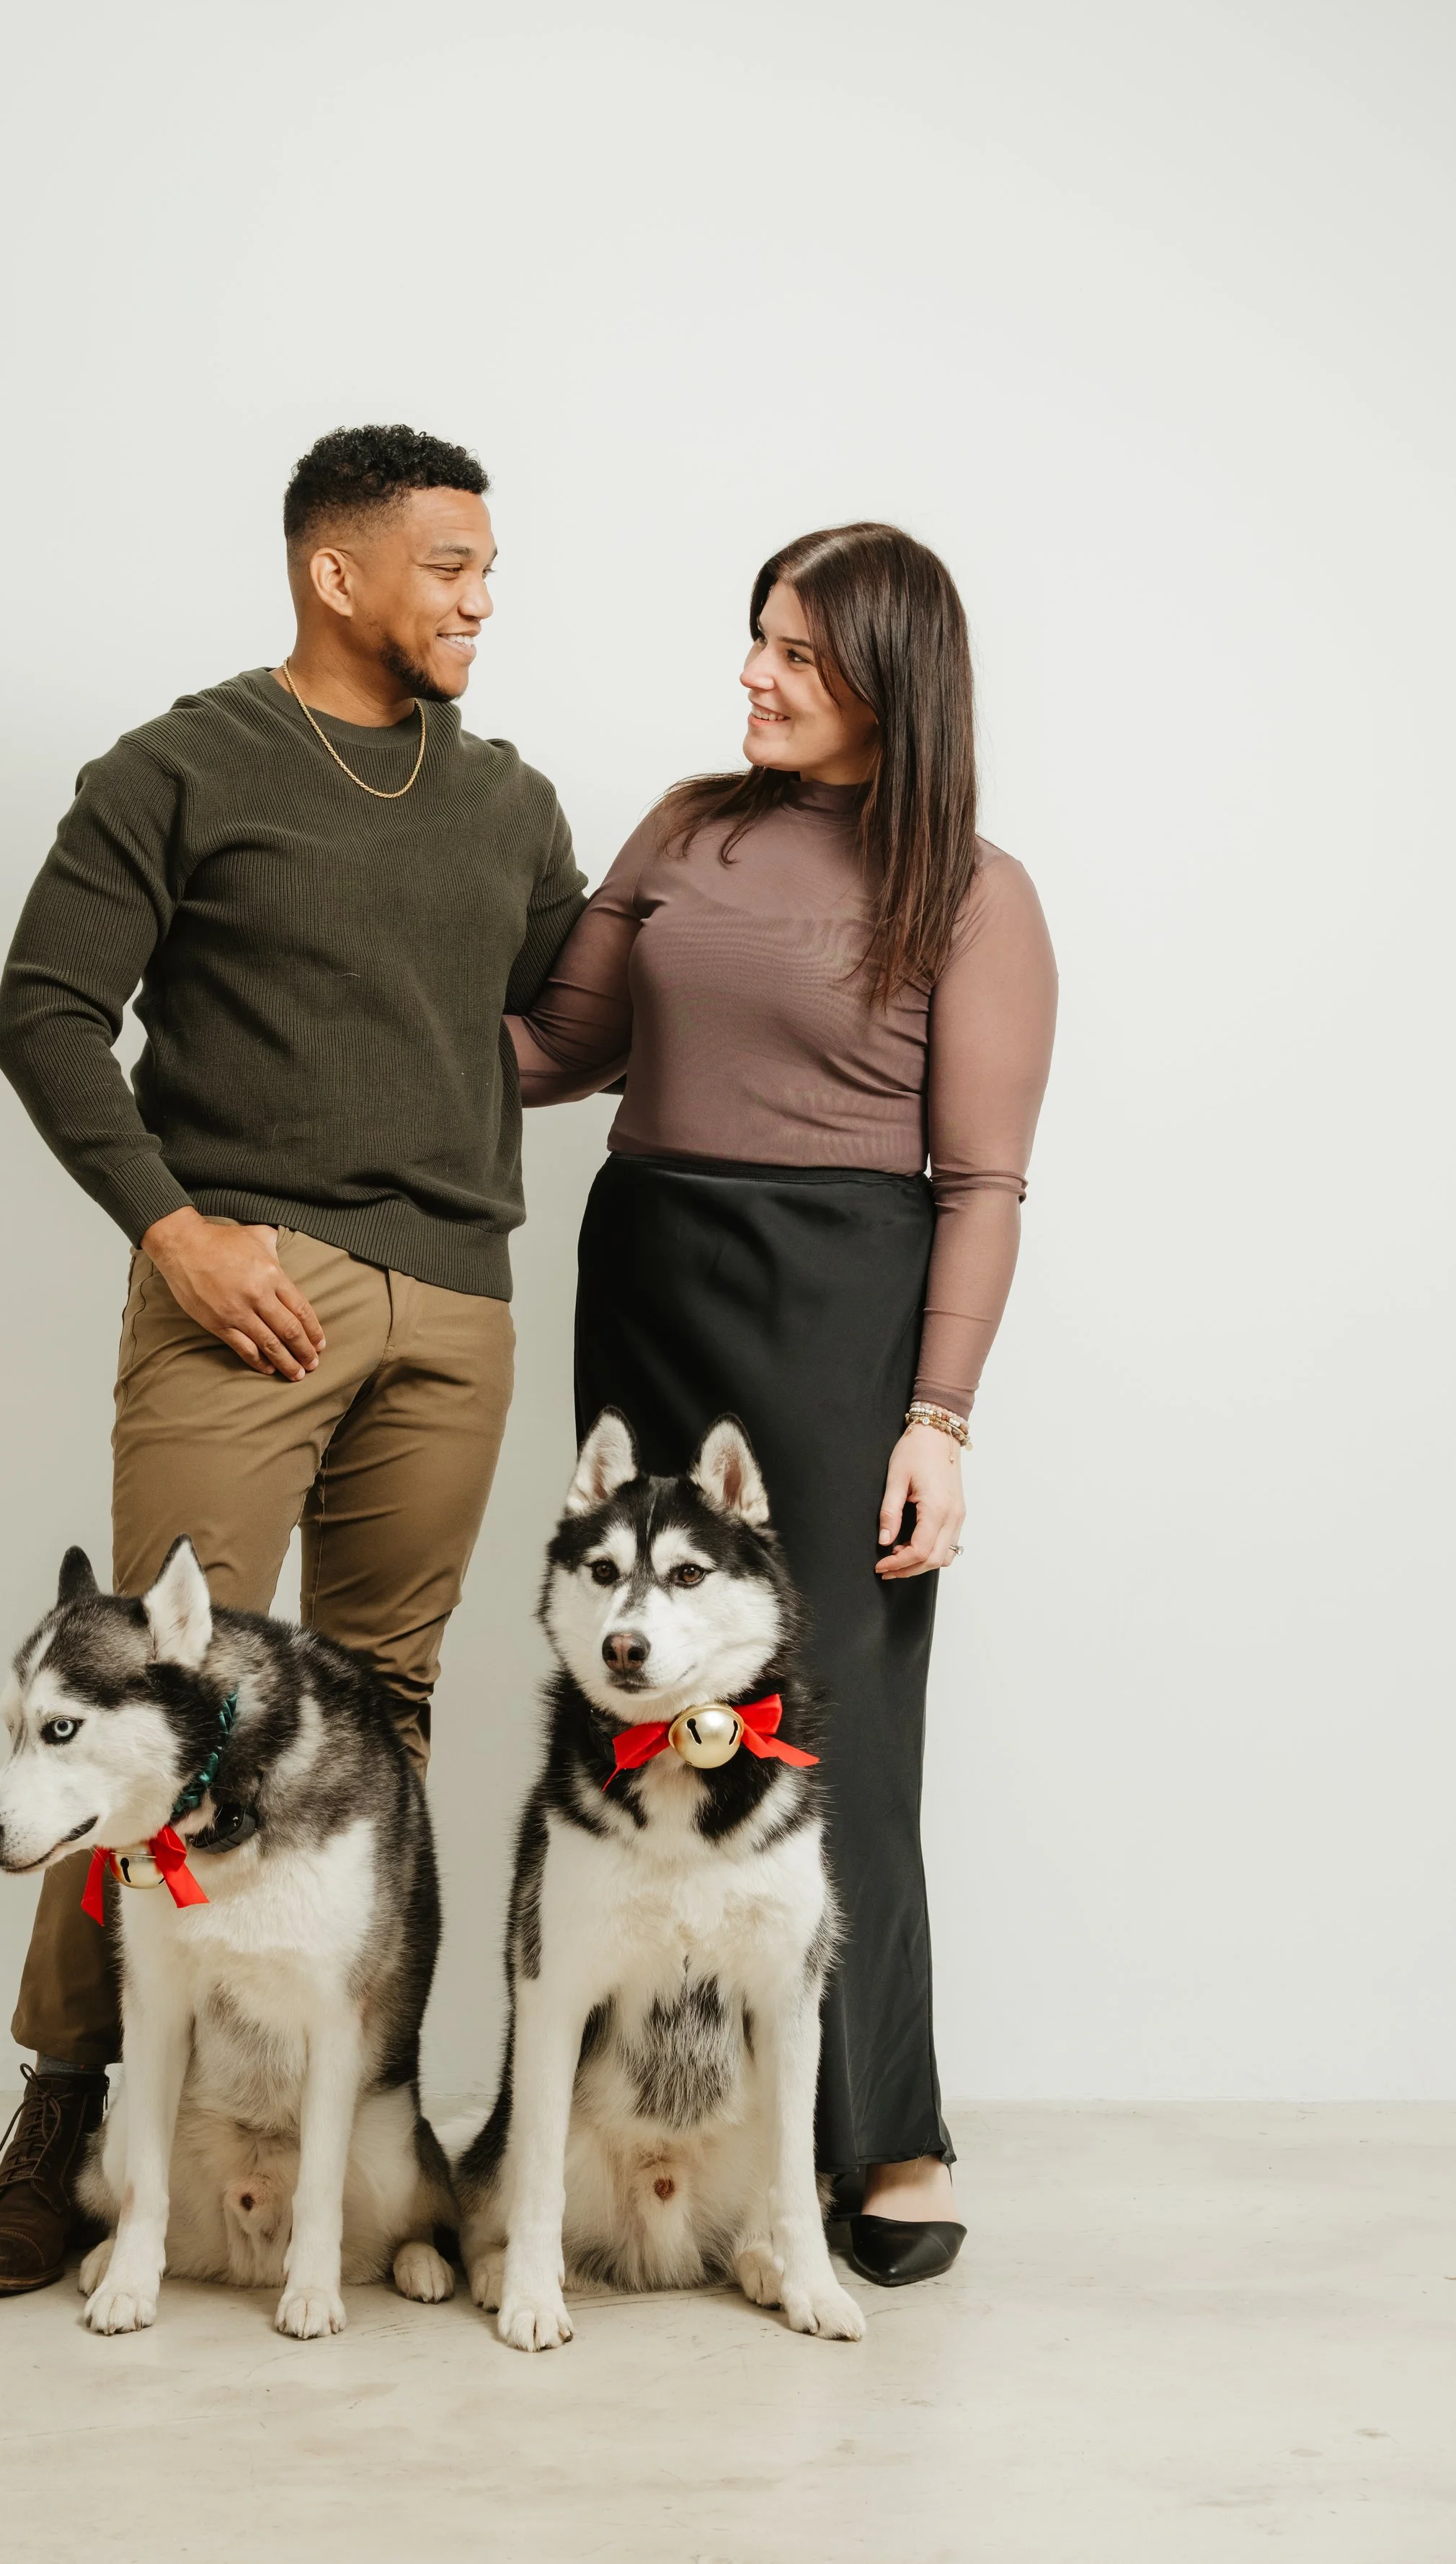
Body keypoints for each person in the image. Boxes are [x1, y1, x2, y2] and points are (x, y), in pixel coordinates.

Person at [0, 425, 585, 2297]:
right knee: (139, 1711)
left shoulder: (513, 800)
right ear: (336, 569)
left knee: (382, 1718)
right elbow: (45, 1012)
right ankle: (66, 2105)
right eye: (451, 562)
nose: (482, 594)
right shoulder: (178, 767)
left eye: (488, 565)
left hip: (453, 1303)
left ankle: (361, 2118)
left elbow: (565, 1015)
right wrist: (175, 1225)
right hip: (247, 1289)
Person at [508, 521, 1057, 2288]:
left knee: (838, 1736)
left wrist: (939, 1421)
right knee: (640, 1702)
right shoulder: (682, 826)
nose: (753, 674)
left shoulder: (973, 890)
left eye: (797, 656)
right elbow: (554, 1050)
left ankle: (888, 2134)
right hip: (650, 1270)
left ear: (893, 688)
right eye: (754, 638)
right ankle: (653, 2120)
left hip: (841, 1309)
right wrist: (339, 1005)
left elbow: (980, 1180)